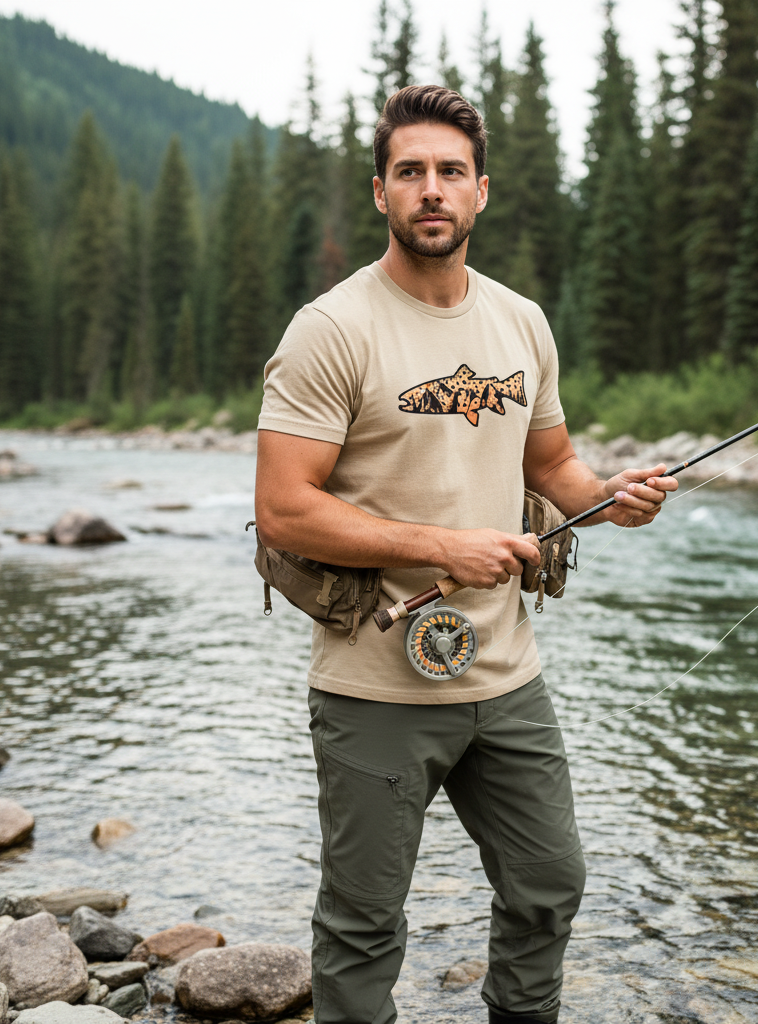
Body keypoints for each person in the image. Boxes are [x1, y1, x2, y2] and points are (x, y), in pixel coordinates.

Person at [254, 84, 678, 1024]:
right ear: (381, 193)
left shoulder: (521, 322)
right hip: (374, 685)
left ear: (481, 191)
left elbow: (556, 465)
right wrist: (443, 543)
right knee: (364, 926)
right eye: (412, 172)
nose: (432, 190)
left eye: (451, 172)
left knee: (550, 884)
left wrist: (613, 501)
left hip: (506, 674)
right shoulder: (332, 329)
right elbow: (283, 511)